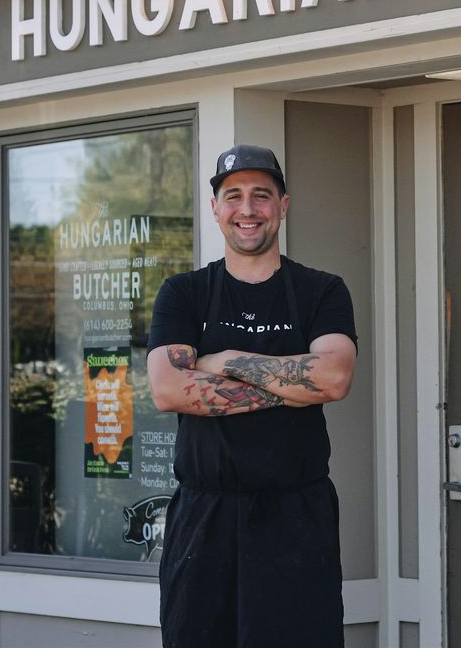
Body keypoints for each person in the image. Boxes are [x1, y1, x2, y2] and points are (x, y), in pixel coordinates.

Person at [147, 144, 357, 647]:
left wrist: (222, 362)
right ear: (216, 208)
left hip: (296, 518)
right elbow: (168, 388)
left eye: (261, 195)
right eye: (233, 195)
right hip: (204, 519)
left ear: (283, 205)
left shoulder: (321, 291)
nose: (248, 209)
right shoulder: (183, 293)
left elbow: (332, 379)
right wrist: (291, 386)